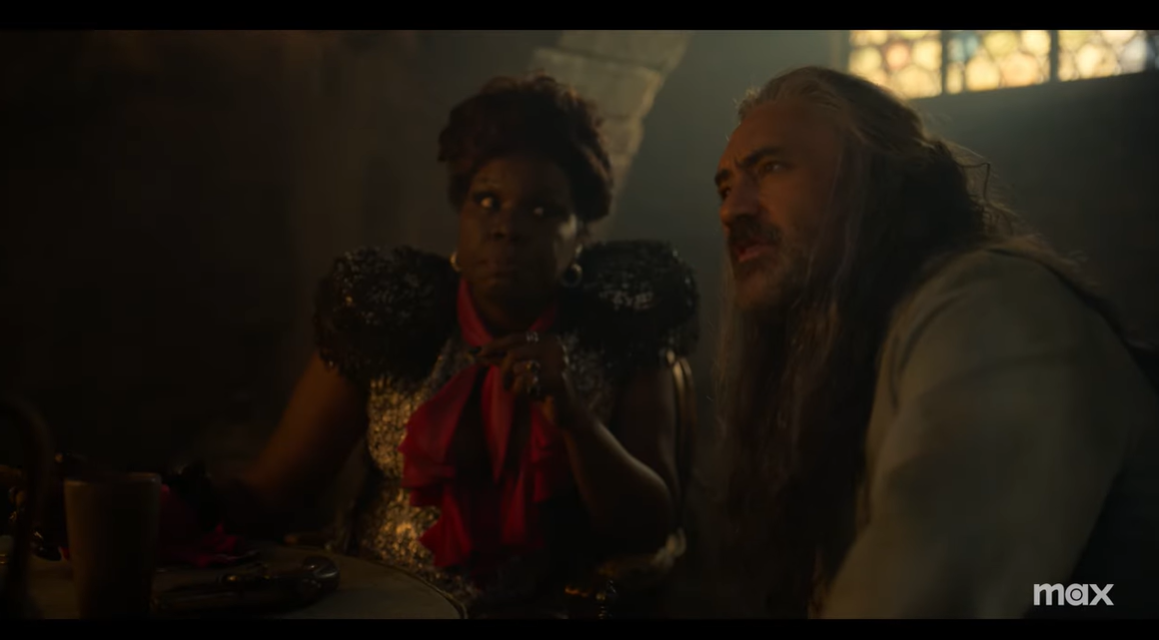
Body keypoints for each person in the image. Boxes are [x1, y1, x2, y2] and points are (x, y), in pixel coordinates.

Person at [202, 73, 698, 615]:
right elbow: (272, 493)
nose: (508, 227)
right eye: (487, 201)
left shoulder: (620, 330)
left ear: (581, 235)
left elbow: (649, 527)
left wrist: (576, 420)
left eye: (542, 210)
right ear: (461, 214)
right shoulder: (390, 318)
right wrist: (171, 506)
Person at [711, 65, 1159, 618]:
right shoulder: (854, 345)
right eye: (725, 187)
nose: (732, 209)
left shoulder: (994, 308)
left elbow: (924, 592)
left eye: (771, 168)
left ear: (875, 180)